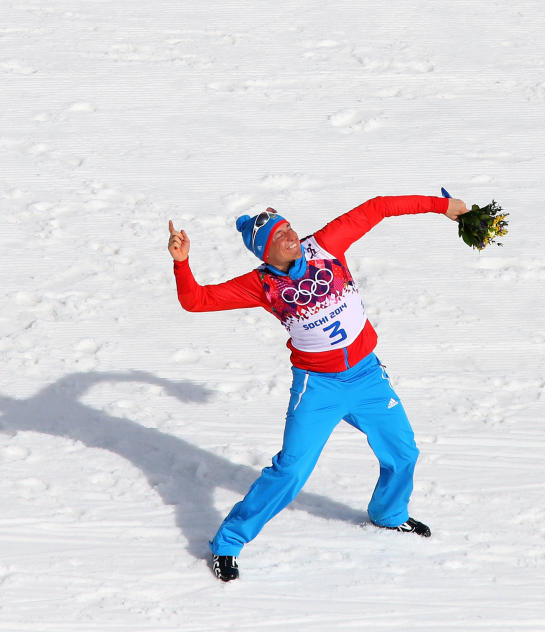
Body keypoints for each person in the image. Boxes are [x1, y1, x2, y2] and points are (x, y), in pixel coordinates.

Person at [167, 194, 469, 581]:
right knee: (290, 472)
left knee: (404, 450)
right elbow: (197, 300)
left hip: (367, 377)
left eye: (289, 228)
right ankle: (228, 543)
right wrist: (181, 263)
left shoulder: (326, 245)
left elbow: (377, 208)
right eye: (280, 237)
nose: (291, 236)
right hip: (318, 388)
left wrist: (441, 207)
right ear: (265, 252)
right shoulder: (260, 284)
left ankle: (389, 513)